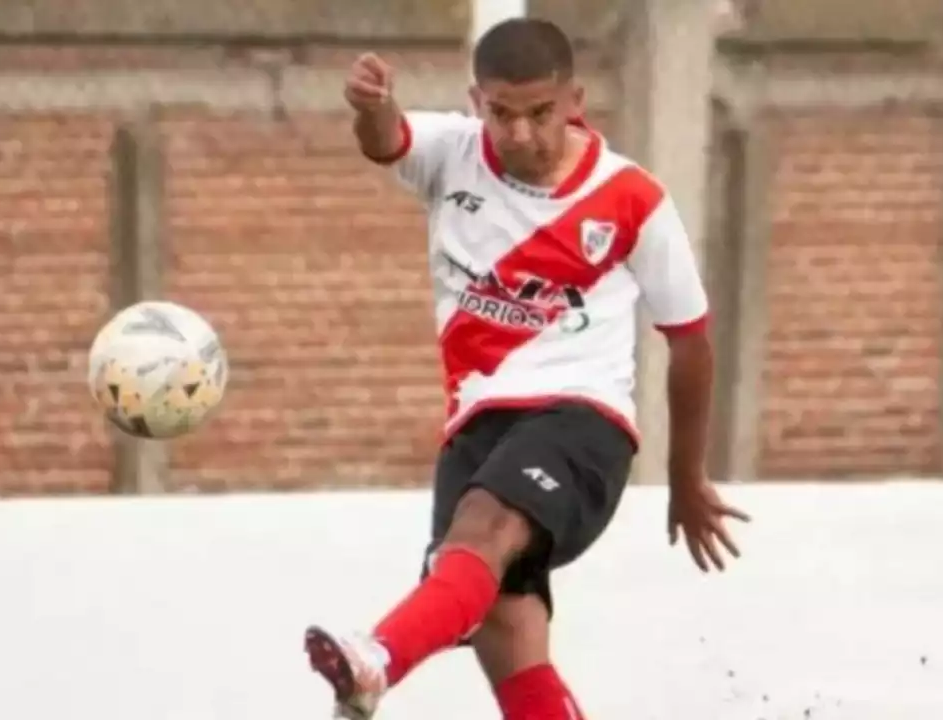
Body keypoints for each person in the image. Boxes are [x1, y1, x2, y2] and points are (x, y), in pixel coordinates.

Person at [303, 17, 750, 720]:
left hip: (580, 420)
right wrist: (373, 106)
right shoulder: (455, 155)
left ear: (573, 100)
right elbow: (387, 141)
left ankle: (376, 661)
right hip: (477, 430)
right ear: (477, 101)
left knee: (483, 529)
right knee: (510, 640)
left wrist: (687, 478)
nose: (519, 135)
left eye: (539, 114)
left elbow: (690, 341)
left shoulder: (632, 199)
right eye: (501, 113)